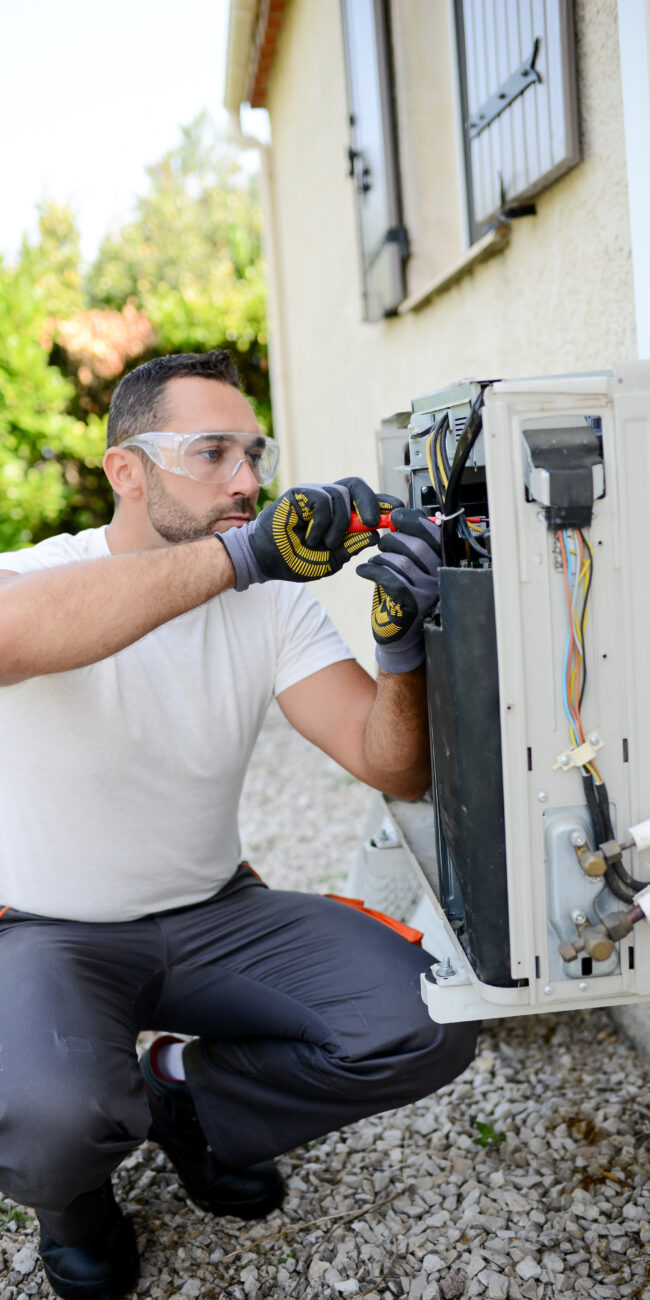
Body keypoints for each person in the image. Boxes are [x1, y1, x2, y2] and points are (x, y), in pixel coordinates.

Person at [0, 350, 476, 1300]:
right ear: (126, 470)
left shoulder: (272, 608)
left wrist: (400, 650)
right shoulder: (34, 575)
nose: (250, 482)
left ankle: (189, 1100)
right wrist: (241, 556)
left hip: (215, 913)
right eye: (213, 451)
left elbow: (392, 764)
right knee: (48, 1119)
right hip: (47, 932)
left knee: (431, 1020)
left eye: (253, 453)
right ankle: (77, 1202)